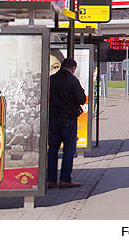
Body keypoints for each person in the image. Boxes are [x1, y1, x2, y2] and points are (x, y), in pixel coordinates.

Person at [47, 57, 86, 189]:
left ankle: (50, 180)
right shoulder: (72, 80)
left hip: (52, 118)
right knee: (69, 150)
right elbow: (81, 99)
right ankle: (65, 179)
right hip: (68, 119)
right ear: (73, 68)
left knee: (52, 149)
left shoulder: (51, 80)